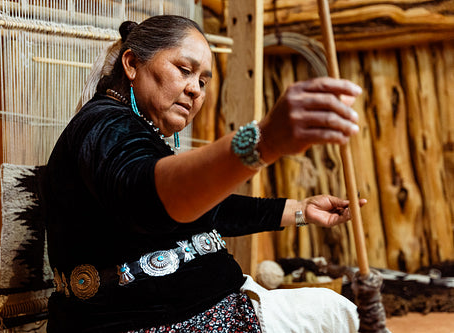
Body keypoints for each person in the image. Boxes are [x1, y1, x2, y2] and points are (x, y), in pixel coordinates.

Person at [41, 15, 365, 333]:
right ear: (131, 64)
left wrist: (300, 210)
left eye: (203, 81)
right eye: (184, 70)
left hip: (217, 308)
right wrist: (264, 140)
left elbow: (206, 210)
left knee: (339, 311)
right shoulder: (102, 125)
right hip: (160, 323)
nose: (195, 89)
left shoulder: (133, 132)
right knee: (343, 316)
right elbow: (147, 197)